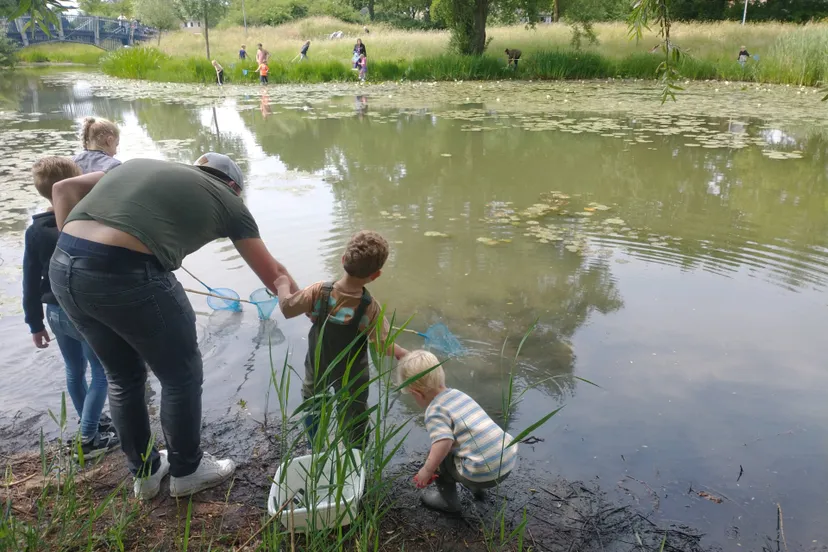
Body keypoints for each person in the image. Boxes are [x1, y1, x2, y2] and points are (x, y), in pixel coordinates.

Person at [49, 154, 299, 500]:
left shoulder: (138, 165)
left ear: (196, 168)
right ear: (234, 188)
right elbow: (273, 274)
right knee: (181, 374)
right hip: (127, 274)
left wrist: (79, 252)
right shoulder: (228, 201)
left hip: (63, 268)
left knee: (123, 378)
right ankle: (187, 471)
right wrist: (307, 306)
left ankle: (146, 476)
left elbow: (62, 188)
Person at [275, 230, 408, 448]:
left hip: (318, 365)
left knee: (312, 401)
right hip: (353, 373)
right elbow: (383, 344)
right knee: (354, 410)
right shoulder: (369, 307)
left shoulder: (319, 292)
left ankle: (314, 445)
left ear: (343, 259)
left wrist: (282, 285)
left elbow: (288, 308)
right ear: (375, 275)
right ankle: (355, 453)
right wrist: (402, 354)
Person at [23, 158, 119, 459]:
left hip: (54, 312)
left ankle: (92, 423)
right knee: (102, 372)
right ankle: (88, 438)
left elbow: (30, 282)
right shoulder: (83, 224)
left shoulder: (35, 231)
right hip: (82, 312)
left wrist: (34, 324)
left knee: (74, 370)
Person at [400, 350, 518, 513]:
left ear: (416, 393)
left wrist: (427, 470)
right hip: (506, 460)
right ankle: (478, 490)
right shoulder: (458, 394)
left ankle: (448, 503)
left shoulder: (435, 410)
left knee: (439, 459)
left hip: (483, 471)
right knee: (471, 441)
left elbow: (443, 442)